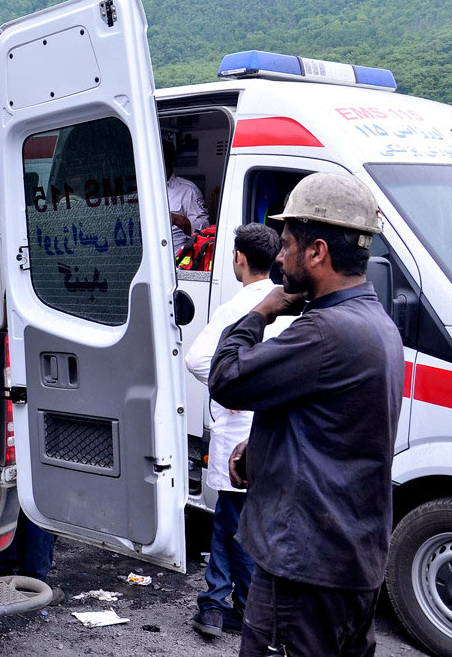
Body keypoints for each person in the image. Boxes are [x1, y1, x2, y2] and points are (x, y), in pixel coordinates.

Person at [208, 172, 404, 656]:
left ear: (317, 252)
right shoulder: (376, 322)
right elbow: (336, 428)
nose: (279, 257)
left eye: (287, 244)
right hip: (350, 562)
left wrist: (263, 310)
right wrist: (259, 450)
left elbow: (226, 377)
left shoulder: (324, 330)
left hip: (305, 570)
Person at [185, 223, 287, 638]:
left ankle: (236, 606)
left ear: (239, 258)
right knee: (243, 521)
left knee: (234, 523)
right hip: (275, 430)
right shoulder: (292, 306)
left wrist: (233, 387)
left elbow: (196, 360)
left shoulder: (237, 308)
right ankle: (216, 604)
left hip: (237, 431)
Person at [165, 142, 209, 254]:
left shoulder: (188, 190)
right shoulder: (142, 190)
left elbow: (204, 229)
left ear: (171, 163)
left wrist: (176, 219)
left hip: (176, 259)